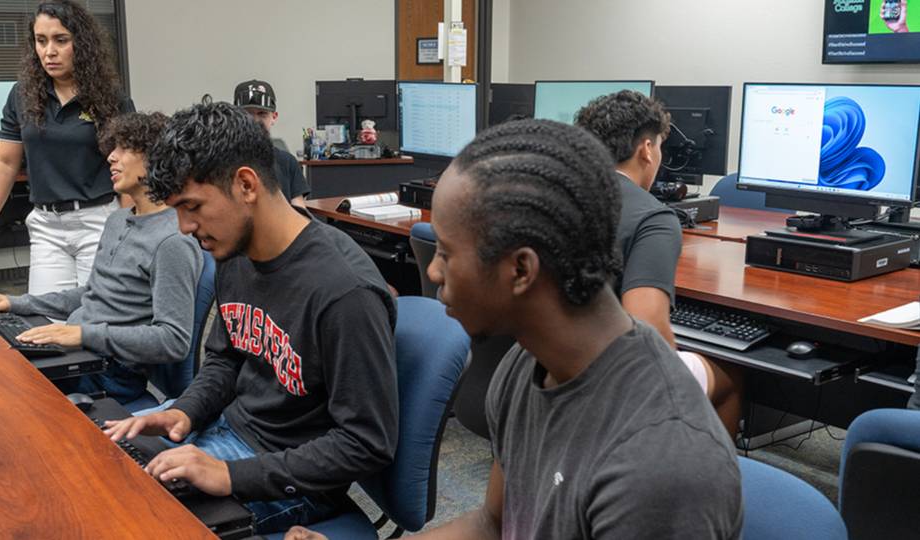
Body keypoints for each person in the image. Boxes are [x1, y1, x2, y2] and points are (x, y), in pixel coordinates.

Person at [281, 119, 743, 539]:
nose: (434, 272)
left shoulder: (661, 465)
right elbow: (493, 523)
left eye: (446, 252)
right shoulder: (528, 363)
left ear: (521, 269)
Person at [101, 102, 398, 534]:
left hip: (293, 478)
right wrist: (186, 411)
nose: (184, 227)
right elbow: (225, 359)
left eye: (192, 206)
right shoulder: (234, 248)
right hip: (226, 431)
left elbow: (367, 444)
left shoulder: (345, 293)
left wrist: (230, 476)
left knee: (132, 521)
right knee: (99, 462)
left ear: (245, 185)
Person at [0, 112, 202, 405]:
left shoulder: (172, 241)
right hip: (81, 353)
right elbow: (91, 293)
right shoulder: (118, 221)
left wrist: (82, 335)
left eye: (124, 149)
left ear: (157, 158)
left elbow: (173, 341)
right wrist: (18, 303)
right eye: (112, 149)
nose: (110, 158)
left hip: (109, 372)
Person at [575, 90, 742, 435]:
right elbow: (647, 329)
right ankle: (699, 480)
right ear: (647, 149)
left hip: (544, 366)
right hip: (606, 383)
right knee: (731, 376)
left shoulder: (556, 192)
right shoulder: (653, 218)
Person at [0, 0, 135, 296]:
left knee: (96, 319)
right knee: (46, 321)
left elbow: (128, 168)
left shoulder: (109, 97)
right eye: (41, 40)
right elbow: (6, 163)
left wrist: (128, 229)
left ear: (82, 43)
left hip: (98, 221)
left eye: (61, 40)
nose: (49, 51)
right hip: (47, 226)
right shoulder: (23, 94)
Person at [234, 79, 311, 206]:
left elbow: (299, 212)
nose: (255, 120)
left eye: (262, 114)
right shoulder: (222, 162)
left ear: (274, 117)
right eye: (247, 114)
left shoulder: (287, 162)